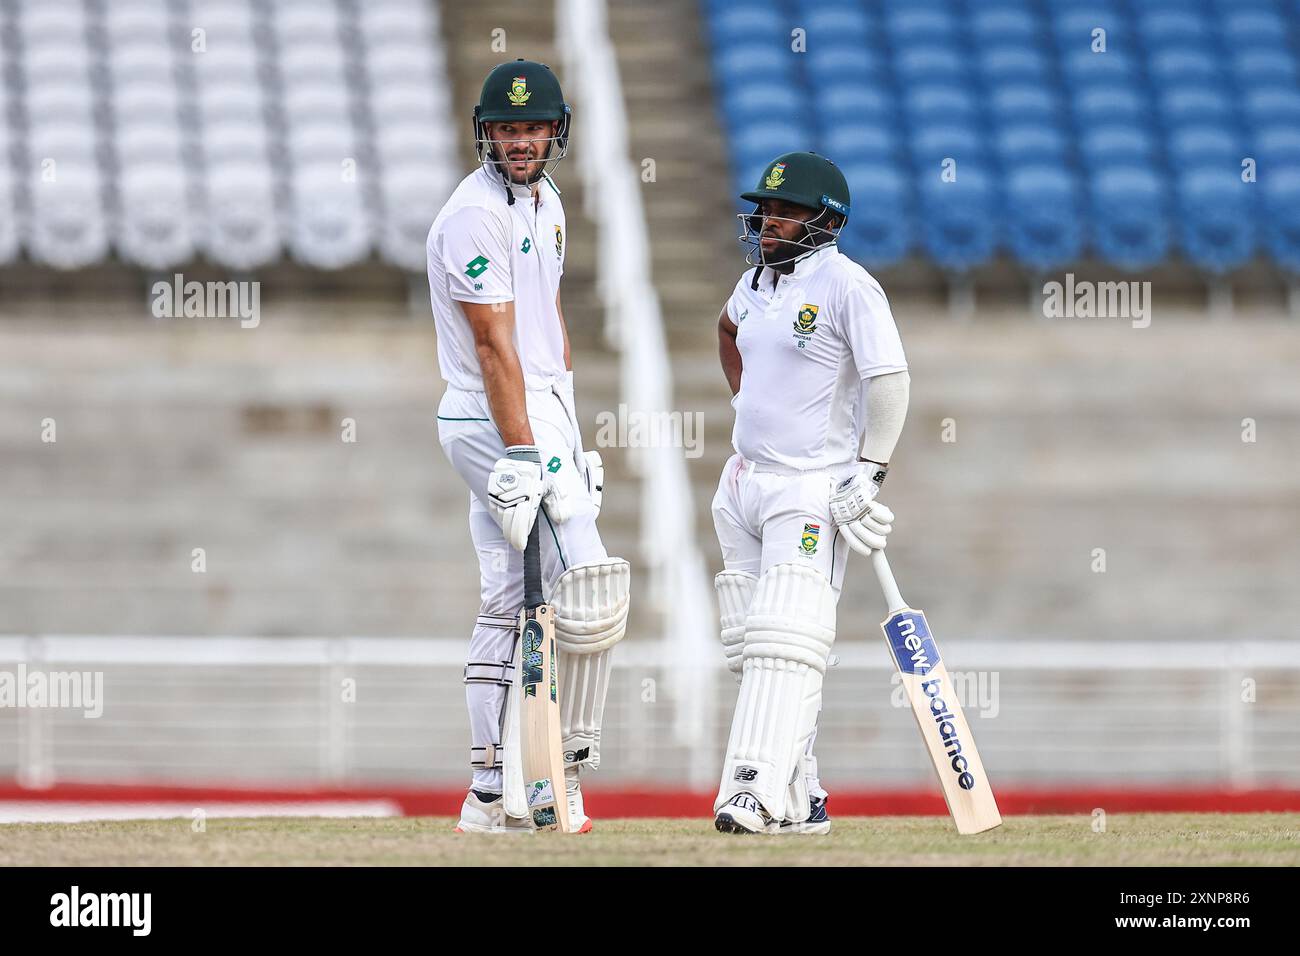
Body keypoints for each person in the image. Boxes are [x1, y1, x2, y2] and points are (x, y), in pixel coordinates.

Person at [427, 59, 630, 833]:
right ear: (486, 133)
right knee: (588, 591)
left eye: (532, 127)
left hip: (539, 411)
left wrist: (570, 443)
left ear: (555, 133)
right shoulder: (473, 217)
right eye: (507, 128)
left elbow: (549, 333)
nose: (519, 141)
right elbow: (494, 350)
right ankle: (558, 772)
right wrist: (524, 455)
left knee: (511, 598)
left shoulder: (548, 205)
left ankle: (490, 790)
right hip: (489, 416)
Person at [710, 151, 911, 834]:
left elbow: (890, 379)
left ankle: (754, 791)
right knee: (750, 644)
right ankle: (804, 795)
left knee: (787, 639)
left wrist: (870, 469)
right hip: (743, 482)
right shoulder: (754, 283)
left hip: (809, 486)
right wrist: (747, 405)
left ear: (826, 219)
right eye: (765, 208)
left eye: (785, 211)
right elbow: (728, 330)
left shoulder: (849, 285)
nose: (768, 220)